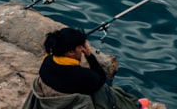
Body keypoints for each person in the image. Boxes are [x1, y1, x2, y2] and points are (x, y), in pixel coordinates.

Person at [20, 26, 154, 109]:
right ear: (70, 52)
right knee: (113, 88)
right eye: (80, 47)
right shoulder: (80, 75)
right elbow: (100, 79)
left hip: (51, 101)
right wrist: (89, 55)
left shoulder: (48, 62)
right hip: (72, 103)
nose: (82, 50)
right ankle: (136, 106)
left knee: (111, 87)